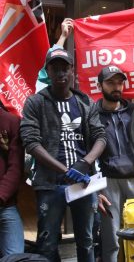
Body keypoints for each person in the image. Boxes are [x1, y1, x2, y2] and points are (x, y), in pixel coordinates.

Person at [20, 48, 107, 262]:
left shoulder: (85, 102)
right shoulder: (35, 102)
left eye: (65, 68)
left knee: (87, 240)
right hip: (50, 185)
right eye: (55, 68)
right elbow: (31, 142)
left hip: (83, 185)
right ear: (47, 71)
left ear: (71, 70)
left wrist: (85, 164)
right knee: (47, 242)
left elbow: (101, 137)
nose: (61, 73)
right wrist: (66, 170)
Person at [94, 66, 134, 262]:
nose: (116, 87)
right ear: (100, 85)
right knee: (111, 239)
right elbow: (88, 153)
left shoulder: (133, 111)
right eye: (110, 82)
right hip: (108, 183)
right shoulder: (92, 114)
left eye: (119, 82)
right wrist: (95, 190)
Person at [0, 102, 24, 257]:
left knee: (15, 257)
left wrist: (1, 196)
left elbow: (15, 168)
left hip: (5, 205)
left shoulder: (11, 121)